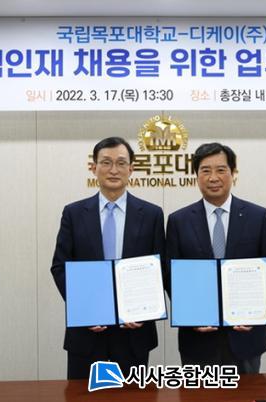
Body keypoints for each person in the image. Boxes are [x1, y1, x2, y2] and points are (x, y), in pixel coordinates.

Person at [166, 142, 266, 374]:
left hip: (245, 337)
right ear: (196, 175)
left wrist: (256, 310)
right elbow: (170, 273)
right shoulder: (179, 221)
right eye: (205, 170)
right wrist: (190, 314)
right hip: (197, 339)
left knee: (247, 393)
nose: (213, 177)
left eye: (221, 170)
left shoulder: (257, 217)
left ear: (233, 173)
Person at [51, 136, 165, 379]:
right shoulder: (73, 213)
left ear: (131, 169)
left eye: (121, 163)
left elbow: (159, 268)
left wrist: (144, 311)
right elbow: (60, 266)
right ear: (94, 168)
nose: (114, 170)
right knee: (83, 395)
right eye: (106, 162)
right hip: (86, 333)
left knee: (133, 396)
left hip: (134, 333)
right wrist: (84, 309)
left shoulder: (152, 214)